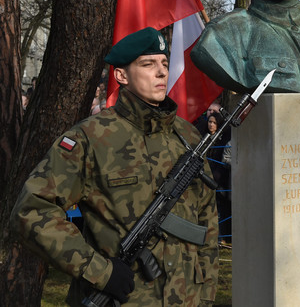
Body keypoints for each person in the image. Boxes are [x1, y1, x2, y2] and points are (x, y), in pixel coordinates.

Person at [10, 27, 219, 306]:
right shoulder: (90, 138)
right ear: (121, 75)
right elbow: (31, 211)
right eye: (148, 64)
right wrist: (99, 271)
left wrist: (205, 296)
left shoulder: (189, 138)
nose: (161, 72)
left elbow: (207, 224)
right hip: (124, 299)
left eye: (164, 64)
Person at [205, 112, 233, 243]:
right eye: (210, 122)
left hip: (220, 180)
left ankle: (223, 236)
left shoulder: (222, 140)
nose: (211, 125)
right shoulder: (204, 138)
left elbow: (224, 159)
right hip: (206, 178)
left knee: (222, 209)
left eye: (214, 122)